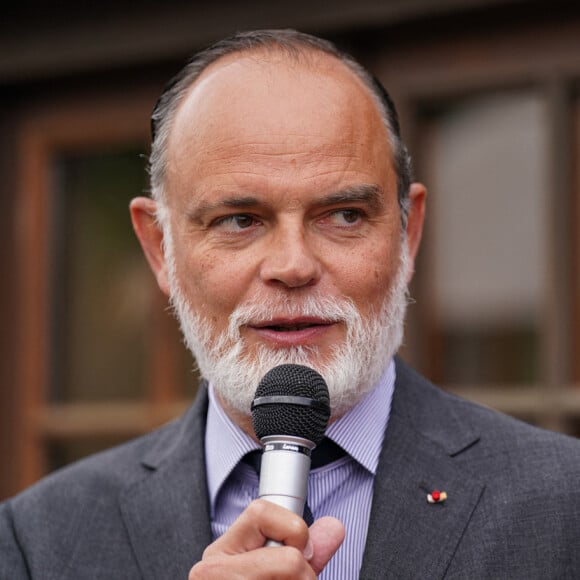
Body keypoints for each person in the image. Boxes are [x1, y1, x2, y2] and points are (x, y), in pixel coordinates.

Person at [1, 28, 580, 580]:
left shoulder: (562, 507)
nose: (293, 266)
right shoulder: (39, 540)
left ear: (408, 234)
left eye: (344, 215)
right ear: (159, 248)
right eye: (239, 221)